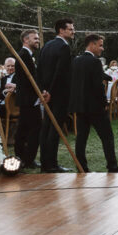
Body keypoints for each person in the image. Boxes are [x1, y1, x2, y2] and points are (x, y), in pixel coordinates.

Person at [69, 34, 118, 173]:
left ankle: (81, 167)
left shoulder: (76, 61)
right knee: (107, 137)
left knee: (81, 138)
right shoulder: (95, 62)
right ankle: (112, 167)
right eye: (100, 45)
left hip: (80, 106)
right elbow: (98, 86)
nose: (102, 48)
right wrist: (104, 102)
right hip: (95, 107)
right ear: (92, 45)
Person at [38, 18, 75, 173]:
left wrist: (43, 90)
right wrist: (51, 92)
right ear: (61, 30)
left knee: (46, 126)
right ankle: (51, 164)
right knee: (55, 128)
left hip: (47, 93)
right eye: (70, 29)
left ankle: (44, 162)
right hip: (58, 94)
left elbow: (38, 70)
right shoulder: (64, 47)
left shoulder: (46, 46)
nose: (73, 31)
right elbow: (60, 73)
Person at [14, 29, 42, 168]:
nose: (38, 40)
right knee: (34, 129)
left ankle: (22, 157)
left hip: (28, 98)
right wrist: (39, 93)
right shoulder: (24, 55)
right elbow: (28, 80)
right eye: (35, 38)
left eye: (38, 38)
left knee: (24, 129)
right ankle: (28, 159)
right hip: (29, 99)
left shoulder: (27, 55)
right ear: (26, 40)